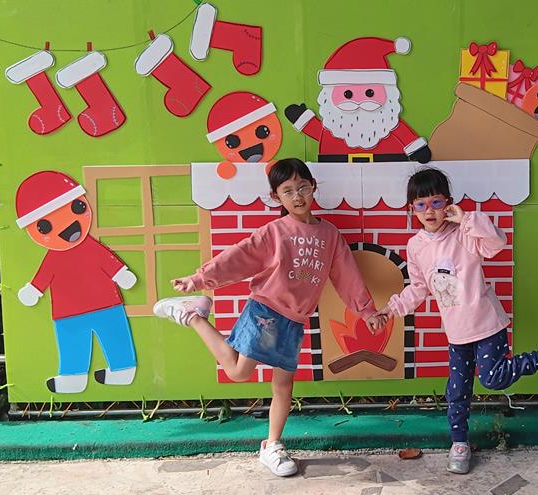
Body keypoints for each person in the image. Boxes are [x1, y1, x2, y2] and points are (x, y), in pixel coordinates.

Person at [153, 158, 386, 477]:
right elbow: (240, 256)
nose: (298, 196)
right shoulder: (275, 232)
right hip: (266, 310)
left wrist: (366, 310)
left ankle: (272, 445)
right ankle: (192, 314)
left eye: (303, 187)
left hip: (295, 320)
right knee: (238, 371)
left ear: (313, 187)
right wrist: (199, 279)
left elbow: (347, 276)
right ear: (277, 197)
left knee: (283, 384)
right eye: (288, 191)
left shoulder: (330, 235)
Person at [378, 168, 538, 474]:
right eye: (421, 204)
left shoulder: (464, 234)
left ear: (448, 203)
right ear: (412, 209)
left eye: (436, 202)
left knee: (493, 379)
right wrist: (390, 310)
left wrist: (465, 220)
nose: (429, 211)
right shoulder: (416, 246)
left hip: (487, 324)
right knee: (456, 391)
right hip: (457, 332)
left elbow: (496, 243)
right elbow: (419, 288)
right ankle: (459, 443)